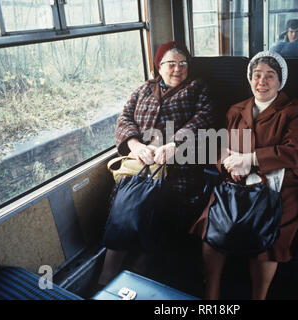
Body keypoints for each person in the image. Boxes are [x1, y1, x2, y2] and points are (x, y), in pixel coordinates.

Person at [191, 50, 298, 300]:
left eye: (270, 76)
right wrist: (227, 163)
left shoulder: (294, 110)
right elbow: (222, 145)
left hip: (280, 186)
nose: (262, 82)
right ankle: (211, 293)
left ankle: (259, 296)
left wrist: (250, 159)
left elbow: (295, 153)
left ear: (280, 81)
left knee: (267, 233)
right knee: (213, 224)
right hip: (237, 183)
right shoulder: (237, 109)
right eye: (257, 75)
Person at [97, 41, 216, 287]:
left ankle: (139, 272)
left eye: (183, 64)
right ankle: (106, 277)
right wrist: (136, 146)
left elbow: (203, 118)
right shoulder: (142, 90)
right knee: (126, 201)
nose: (177, 69)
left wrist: (173, 144)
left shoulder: (197, 88)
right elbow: (124, 119)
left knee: (157, 206)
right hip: (141, 165)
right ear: (158, 66)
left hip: (179, 167)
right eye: (171, 63)